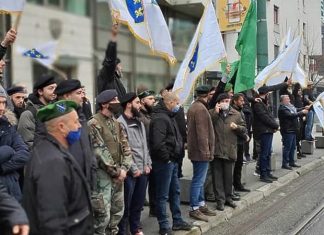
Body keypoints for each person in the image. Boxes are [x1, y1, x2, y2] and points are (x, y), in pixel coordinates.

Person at [23, 100, 94, 235]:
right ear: (61, 127)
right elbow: (52, 222)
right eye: (75, 122)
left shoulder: (51, 150)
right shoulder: (52, 162)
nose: (79, 126)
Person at [88, 89, 132, 235]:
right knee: (102, 215)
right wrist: (117, 172)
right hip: (103, 176)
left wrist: (125, 168)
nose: (118, 103)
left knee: (117, 212)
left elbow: (126, 147)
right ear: (105, 104)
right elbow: (99, 152)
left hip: (119, 175)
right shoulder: (93, 123)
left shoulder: (116, 122)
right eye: (114, 100)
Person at [149, 91, 192, 235]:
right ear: (170, 103)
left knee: (175, 191)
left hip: (172, 160)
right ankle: (164, 226)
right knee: (162, 195)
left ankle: (177, 221)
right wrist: (167, 158)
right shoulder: (161, 118)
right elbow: (157, 143)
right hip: (164, 162)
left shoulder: (169, 116)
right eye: (177, 103)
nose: (178, 106)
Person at [117, 92, 151, 235]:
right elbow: (125, 149)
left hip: (143, 170)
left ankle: (135, 228)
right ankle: (123, 231)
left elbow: (144, 145)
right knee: (126, 205)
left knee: (138, 203)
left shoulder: (139, 121)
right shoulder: (120, 123)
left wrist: (147, 163)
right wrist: (134, 168)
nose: (140, 105)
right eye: (137, 102)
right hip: (131, 172)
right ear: (129, 104)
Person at [54, 79, 97, 191]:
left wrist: (92, 167)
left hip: (85, 180)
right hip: (67, 182)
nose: (82, 96)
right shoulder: (53, 118)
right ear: (67, 96)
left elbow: (88, 146)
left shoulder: (80, 115)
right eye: (78, 93)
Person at [209, 93, 248, 211]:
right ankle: (220, 200)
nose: (226, 103)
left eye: (228, 100)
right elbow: (209, 124)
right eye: (224, 101)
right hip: (216, 150)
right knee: (217, 178)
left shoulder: (236, 114)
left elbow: (244, 128)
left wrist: (237, 127)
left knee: (228, 177)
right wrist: (215, 113)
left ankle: (228, 198)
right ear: (219, 102)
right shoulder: (212, 113)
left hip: (230, 150)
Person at [187, 85, 216, 222]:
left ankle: (201, 204)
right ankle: (194, 208)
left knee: (199, 179)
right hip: (200, 152)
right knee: (198, 180)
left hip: (196, 150)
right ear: (207, 95)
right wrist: (206, 151)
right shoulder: (200, 109)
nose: (212, 97)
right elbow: (202, 133)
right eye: (211, 94)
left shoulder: (194, 106)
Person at [0, 87, 30, 202]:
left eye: (3, 103)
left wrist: (3, 168)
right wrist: (8, 150)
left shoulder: (8, 126)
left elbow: (24, 154)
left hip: (13, 193)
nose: (1, 108)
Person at [18, 74, 57, 148]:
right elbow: (27, 144)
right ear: (40, 91)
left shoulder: (56, 109)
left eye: (56, 88)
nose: (55, 91)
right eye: (51, 88)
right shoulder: (29, 114)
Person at [253, 85, 280, 183]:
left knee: (267, 153)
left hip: (268, 131)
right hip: (263, 131)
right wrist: (276, 125)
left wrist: (274, 126)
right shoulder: (258, 104)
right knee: (264, 154)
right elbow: (264, 117)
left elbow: (269, 116)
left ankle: (268, 172)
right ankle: (263, 174)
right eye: (268, 94)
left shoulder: (263, 103)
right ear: (266, 94)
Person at [138, 89, 157, 216]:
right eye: (150, 99)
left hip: (153, 152)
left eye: (153, 99)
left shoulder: (152, 113)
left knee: (154, 183)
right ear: (142, 100)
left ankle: (154, 210)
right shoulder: (139, 115)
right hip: (143, 153)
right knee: (141, 185)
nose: (153, 101)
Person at [278, 95, 308, 170]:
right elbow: (291, 115)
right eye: (287, 99)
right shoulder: (282, 109)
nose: (289, 100)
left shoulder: (290, 106)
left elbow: (296, 110)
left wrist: (304, 108)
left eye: (288, 98)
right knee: (287, 148)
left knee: (293, 147)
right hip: (287, 130)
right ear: (282, 101)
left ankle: (291, 162)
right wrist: (302, 112)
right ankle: (285, 163)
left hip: (293, 129)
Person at [97, 23, 126, 98]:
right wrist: (113, 38)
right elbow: (110, 61)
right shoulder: (107, 75)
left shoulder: (116, 79)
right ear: (115, 66)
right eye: (120, 65)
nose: (121, 68)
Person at [231, 93, 251, 192]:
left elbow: (243, 125)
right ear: (235, 101)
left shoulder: (240, 110)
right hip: (235, 142)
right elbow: (234, 128)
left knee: (239, 165)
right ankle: (233, 187)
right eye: (241, 100)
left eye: (243, 100)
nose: (243, 102)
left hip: (240, 142)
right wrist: (244, 135)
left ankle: (238, 185)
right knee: (234, 166)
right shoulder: (233, 112)